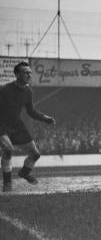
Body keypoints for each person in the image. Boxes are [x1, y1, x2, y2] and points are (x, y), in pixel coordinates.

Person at [0, 61, 56, 191]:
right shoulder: (4, 89)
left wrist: (44, 118)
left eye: (30, 72)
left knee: (35, 154)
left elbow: (31, 111)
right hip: (1, 125)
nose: (29, 75)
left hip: (17, 125)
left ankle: (24, 173)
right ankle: (7, 184)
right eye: (26, 72)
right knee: (8, 149)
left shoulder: (28, 92)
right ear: (17, 74)